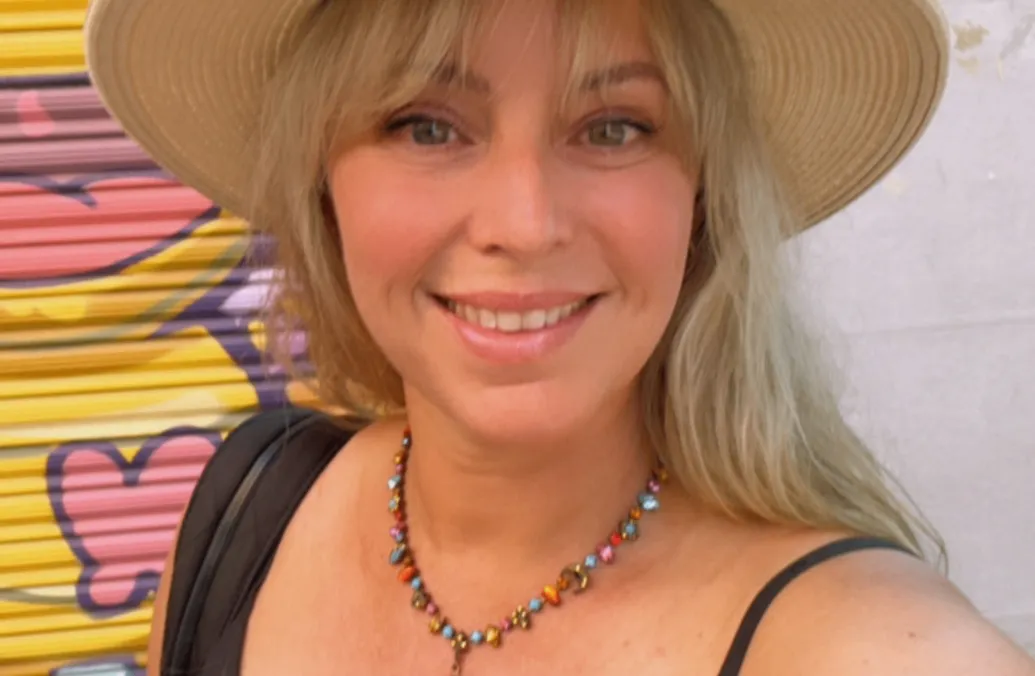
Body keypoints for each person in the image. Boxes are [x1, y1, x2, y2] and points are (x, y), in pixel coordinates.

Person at [85, 0, 1035, 674]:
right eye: (426, 127)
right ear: (322, 188)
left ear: (702, 202)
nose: (525, 223)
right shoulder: (246, 515)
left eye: (613, 128)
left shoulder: (878, 650)